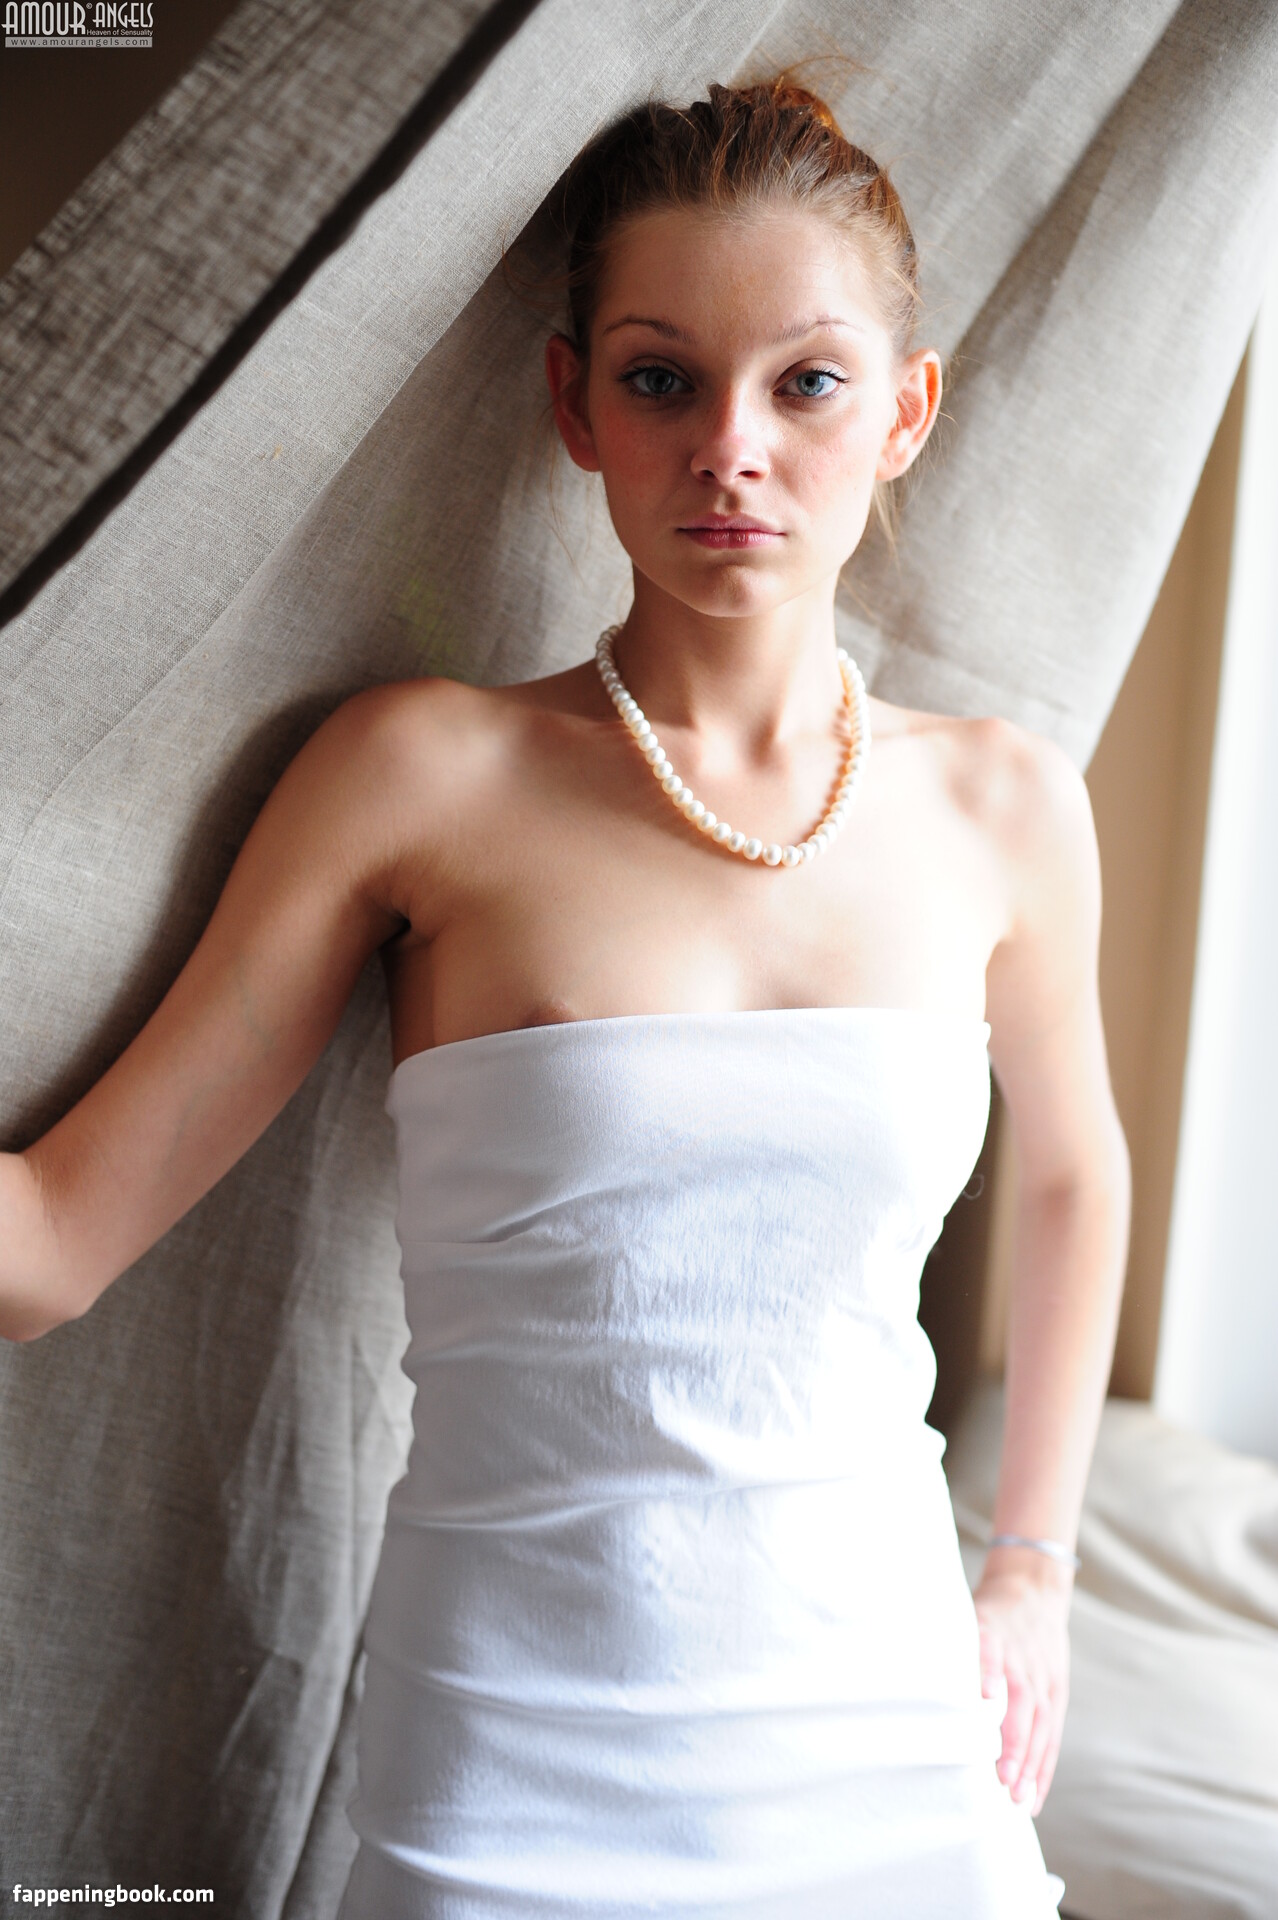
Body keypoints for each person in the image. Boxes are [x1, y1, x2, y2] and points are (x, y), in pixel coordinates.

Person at [1, 77, 1129, 1918]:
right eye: (662, 379)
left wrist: (1031, 1565)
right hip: (511, 1755)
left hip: (889, 1729)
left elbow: (1077, 1172)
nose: (730, 450)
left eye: (807, 383)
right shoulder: (418, 775)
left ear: (906, 411)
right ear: (573, 405)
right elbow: (50, 1246)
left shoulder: (1001, 805)